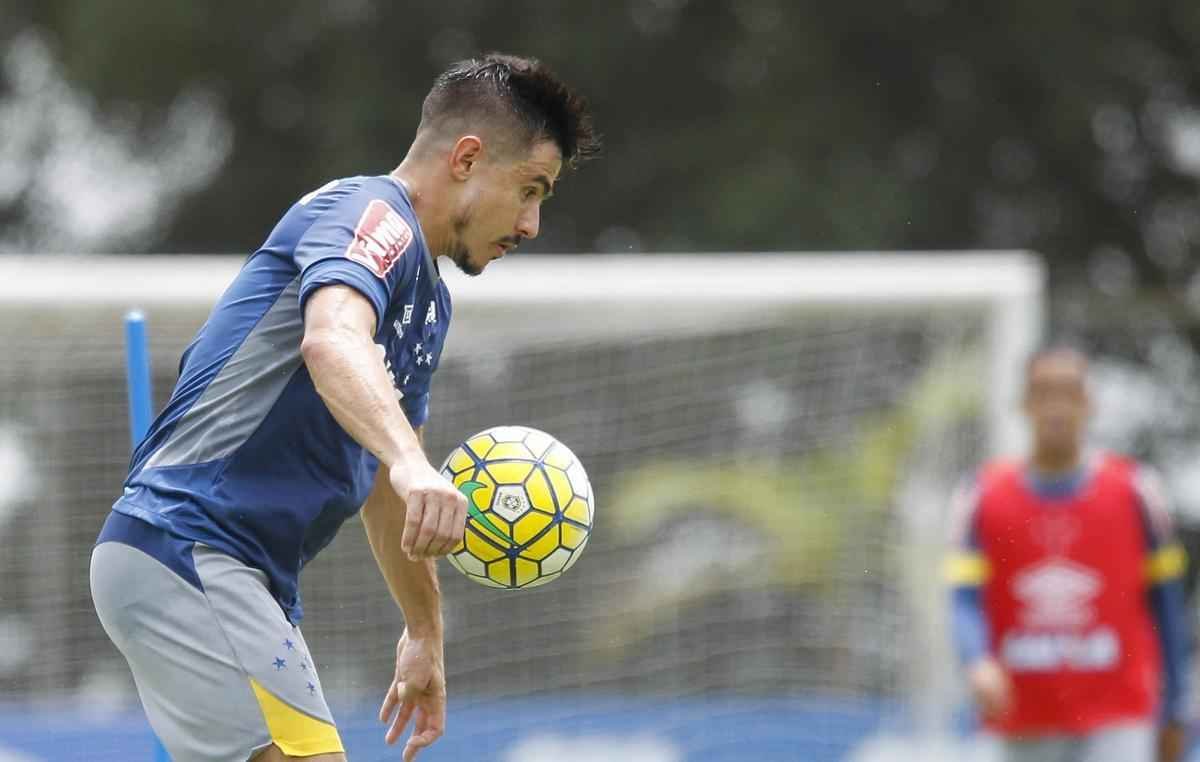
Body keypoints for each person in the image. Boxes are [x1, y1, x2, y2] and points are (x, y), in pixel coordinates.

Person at [89, 53, 599, 762]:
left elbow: (389, 492)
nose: (533, 223)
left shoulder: (427, 301)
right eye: (530, 190)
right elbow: (331, 341)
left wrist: (425, 634)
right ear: (468, 157)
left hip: (226, 576)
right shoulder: (370, 216)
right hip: (188, 547)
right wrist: (414, 466)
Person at [945, 347, 1191, 762]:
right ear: (1024, 405)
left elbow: (1167, 605)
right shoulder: (984, 495)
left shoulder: (1134, 489)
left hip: (1118, 716)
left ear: (1088, 404)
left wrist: (1177, 707)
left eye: (1069, 393)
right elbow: (963, 600)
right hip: (1023, 720)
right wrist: (978, 661)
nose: (1057, 407)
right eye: (1043, 393)